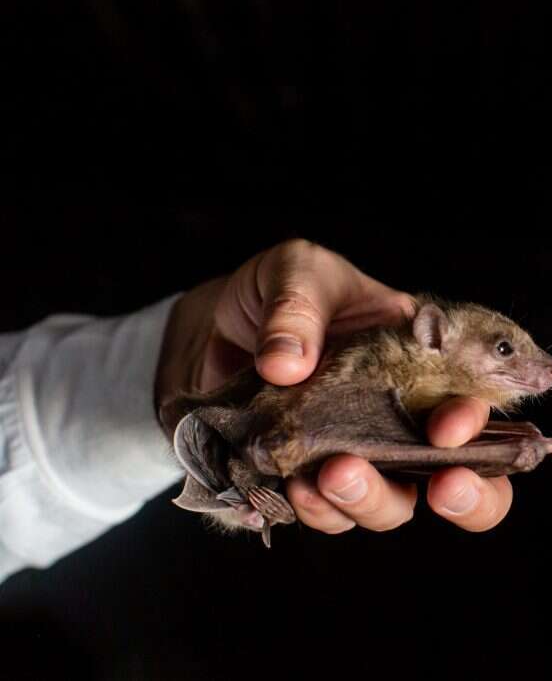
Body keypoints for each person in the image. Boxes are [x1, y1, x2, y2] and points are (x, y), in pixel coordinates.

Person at [0, 239, 512, 583]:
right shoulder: (399, 364)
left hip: (264, 420)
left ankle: (235, 463)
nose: (545, 370)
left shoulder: (419, 395)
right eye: (505, 351)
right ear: (433, 337)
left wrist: (184, 351)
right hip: (291, 424)